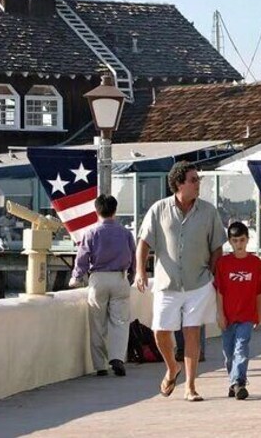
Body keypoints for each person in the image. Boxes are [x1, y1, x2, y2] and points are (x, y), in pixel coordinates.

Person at [136, 161, 227, 402]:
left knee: (192, 334)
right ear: (179, 184)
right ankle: (172, 367)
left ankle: (191, 386)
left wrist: (213, 271)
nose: (198, 184)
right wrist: (140, 271)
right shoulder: (158, 209)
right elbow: (144, 242)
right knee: (160, 332)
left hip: (199, 283)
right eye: (194, 180)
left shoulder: (209, 211)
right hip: (167, 283)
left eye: (199, 180)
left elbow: (217, 245)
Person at [69, 194, 136, 377]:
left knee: (97, 324)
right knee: (120, 322)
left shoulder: (91, 233)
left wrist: (76, 276)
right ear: (115, 210)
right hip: (120, 277)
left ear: (97, 211)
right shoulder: (125, 233)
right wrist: (130, 277)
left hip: (98, 278)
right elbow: (133, 258)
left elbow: (82, 258)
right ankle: (117, 358)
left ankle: (100, 365)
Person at [215, 221, 261, 400]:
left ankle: (240, 381)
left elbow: (259, 291)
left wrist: (259, 312)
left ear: (247, 240)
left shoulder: (255, 263)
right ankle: (233, 381)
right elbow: (219, 291)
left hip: (247, 316)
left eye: (242, 240)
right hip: (228, 316)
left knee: (241, 347)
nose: (239, 244)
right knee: (229, 354)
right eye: (235, 241)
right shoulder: (223, 263)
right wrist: (220, 314)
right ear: (230, 242)